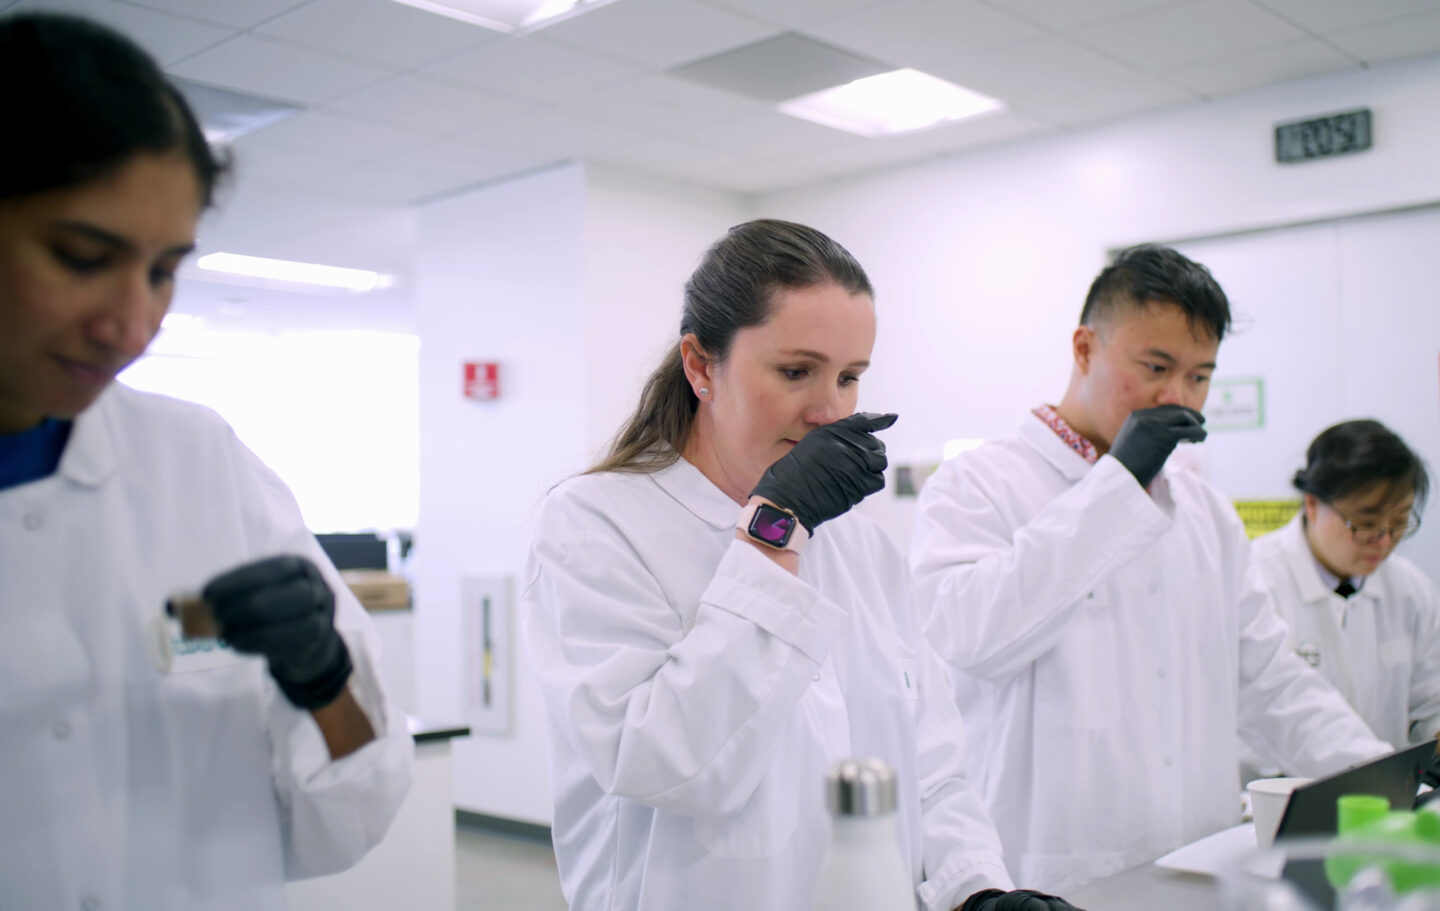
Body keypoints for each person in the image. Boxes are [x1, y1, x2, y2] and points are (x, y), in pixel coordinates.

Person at [523, 219, 1079, 911]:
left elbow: (930, 768)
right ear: (701, 366)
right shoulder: (596, 524)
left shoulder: (861, 546)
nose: (829, 410)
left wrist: (976, 888)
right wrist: (772, 530)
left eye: (849, 377)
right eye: (796, 372)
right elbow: (666, 762)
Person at [0, 13, 412, 910]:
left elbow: (352, 808)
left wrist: (321, 677)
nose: (131, 323)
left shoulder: (198, 461)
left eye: (162, 270)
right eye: (81, 256)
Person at [910, 244, 1391, 893]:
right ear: (1084, 349)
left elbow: (1269, 678)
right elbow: (969, 636)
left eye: (1199, 376)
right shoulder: (979, 484)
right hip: (1051, 871)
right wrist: (1118, 483)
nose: (1178, 397)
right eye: (1157, 366)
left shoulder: (1204, 512)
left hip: (1196, 860)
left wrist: (1383, 777)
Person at [1250, 419, 1439, 749]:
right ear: (1312, 504)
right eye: (1365, 524)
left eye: (1399, 523)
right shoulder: (1255, 581)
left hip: (1384, 796)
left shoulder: (1411, 590)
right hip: (1277, 795)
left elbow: (1431, 706)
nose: (1383, 541)